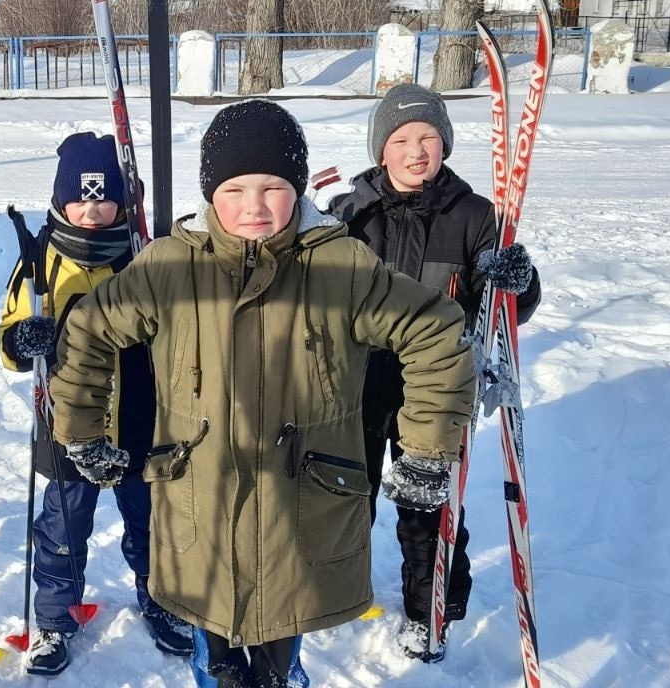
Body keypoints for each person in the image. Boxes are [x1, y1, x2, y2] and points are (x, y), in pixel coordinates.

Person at [47, 99, 478, 688]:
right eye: (235, 189)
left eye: (273, 187)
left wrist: (427, 448)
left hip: (299, 508)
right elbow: (89, 330)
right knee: (215, 656)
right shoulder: (171, 265)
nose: (254, 206)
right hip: (198, 501)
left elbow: (435, 329)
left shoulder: (339, 263)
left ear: (297, 191)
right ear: (209, 194)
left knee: (281, 641)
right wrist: (81, 431)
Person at [326, 82, 541, 662]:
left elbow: (508, 307)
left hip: (437, 385)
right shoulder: (349, 214)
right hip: (360, 378)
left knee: (427, 499)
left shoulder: (474, 216)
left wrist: (516, 280)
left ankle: (430, 605)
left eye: (428, 137)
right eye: (401, 139)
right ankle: (339, 589)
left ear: (444, 143)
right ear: (382, 150)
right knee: (347, 491)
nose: (416, 150)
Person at [0, 132, 195, 675]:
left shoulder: (142, 256)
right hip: (67, 423)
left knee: (151, 521)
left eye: (103, 198)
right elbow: (10, 337)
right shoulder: (41, 260)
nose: (92, 210)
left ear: (122, 202)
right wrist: (24, 341)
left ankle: (160, 599)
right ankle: (55, 620)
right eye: (81, 199)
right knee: (62, 529)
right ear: (62, 201)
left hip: (138, 417)